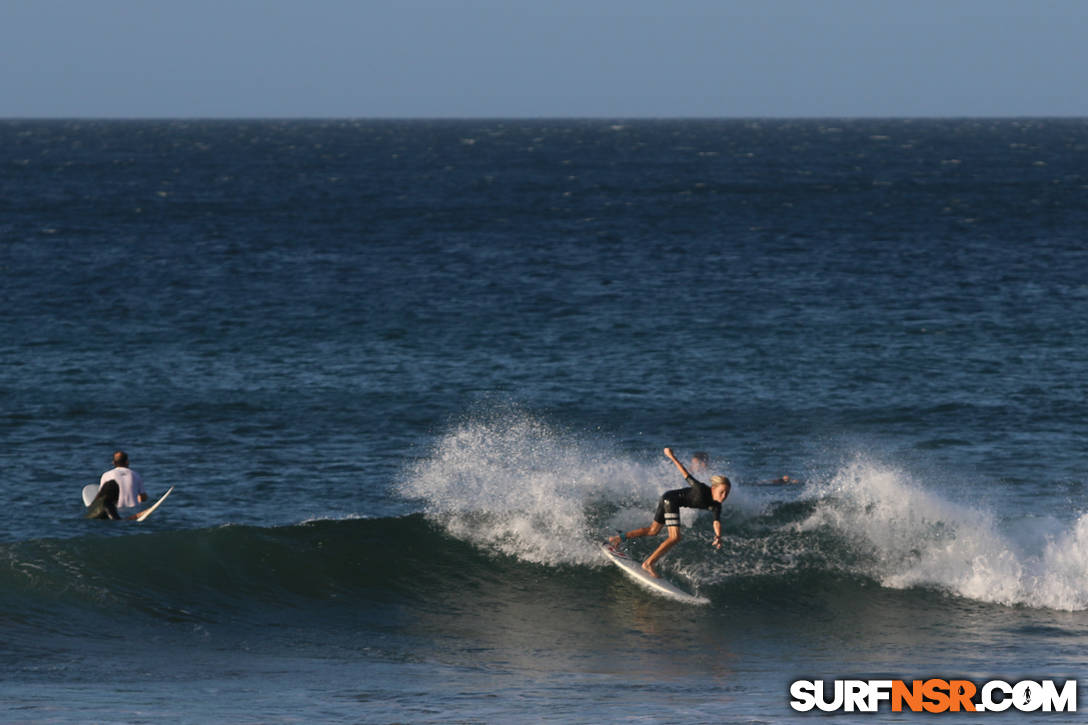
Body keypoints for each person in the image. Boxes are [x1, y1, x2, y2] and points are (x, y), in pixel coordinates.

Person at [609, 447, 731, 578]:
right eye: (722, 492)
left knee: (653, 531)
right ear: (713, 488)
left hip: (668, 499)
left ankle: (617, 538)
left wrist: (718, 536)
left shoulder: (717, 505)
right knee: (675, 537)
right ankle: (649, 563)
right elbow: (686, 474)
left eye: (727, 493)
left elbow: (716, 522)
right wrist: (671, 456)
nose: (724, 496)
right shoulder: (701, 489)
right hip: (671, 500)